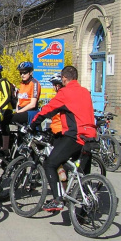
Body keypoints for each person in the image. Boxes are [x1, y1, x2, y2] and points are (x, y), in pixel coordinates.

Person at [29, 66, 97, 212]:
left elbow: (48, 109)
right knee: (82, 174)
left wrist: (33, 123)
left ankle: (57, 199)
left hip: (76, 136)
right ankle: (85, 212)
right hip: (90, 136)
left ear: (64, 78)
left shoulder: (65, 92)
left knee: (50, 163)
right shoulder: (85, 91)